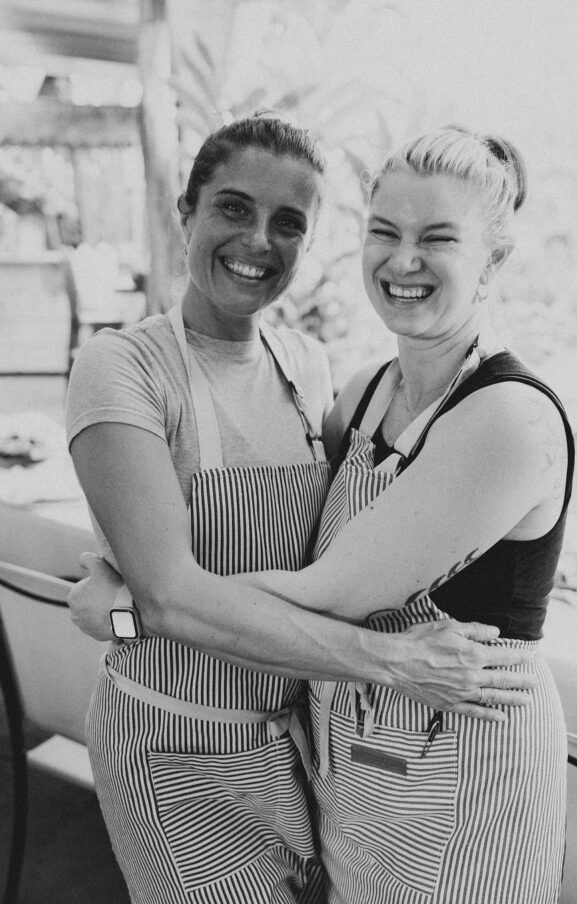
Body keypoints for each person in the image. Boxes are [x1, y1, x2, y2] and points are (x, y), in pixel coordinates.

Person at [66, 115, 537, 904]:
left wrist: (122, 612)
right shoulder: (123, 368)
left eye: (288, 222)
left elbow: (348, 544)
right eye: (233, 208)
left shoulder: (310, 368)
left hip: (298, 760)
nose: (258, 240)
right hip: (173, 751)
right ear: (185, 212)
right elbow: (169, 594)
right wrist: (392, 661)